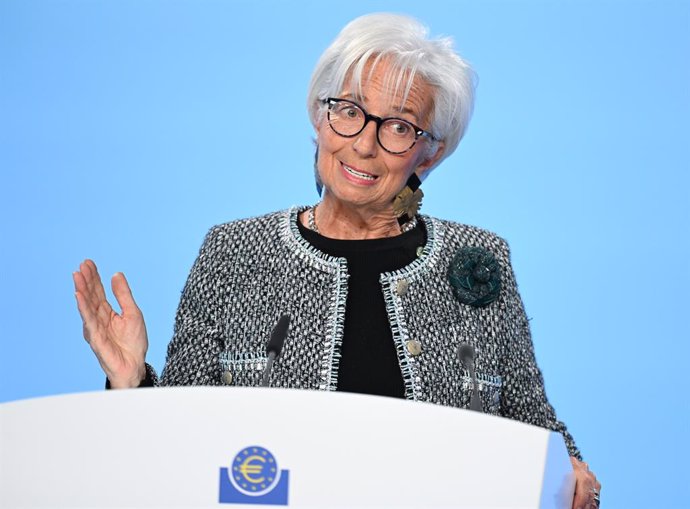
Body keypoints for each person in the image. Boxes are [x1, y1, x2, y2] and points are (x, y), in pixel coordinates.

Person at [73, 13, 601, 509]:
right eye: (348, 111)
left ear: (430, 152)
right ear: (321, 119)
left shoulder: (481, 259)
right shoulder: (232, 253)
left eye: (397, 126)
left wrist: (574, 479)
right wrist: (131, 384)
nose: (364, 144)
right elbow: (182, 441)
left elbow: (539, 432)